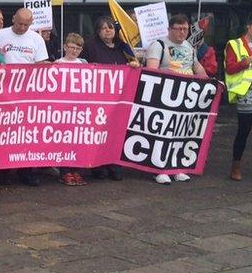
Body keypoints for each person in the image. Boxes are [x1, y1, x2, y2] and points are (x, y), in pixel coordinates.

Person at [145, 14, 208, 185]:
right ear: (169, 29)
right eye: (178, 29)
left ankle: (176, 166)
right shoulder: (159, 45)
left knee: (181, 132)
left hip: (186, 97)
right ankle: (160, 169)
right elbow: (151, 69)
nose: (182, 32)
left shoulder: (189, 46)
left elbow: (197, 67)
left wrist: (210, 82)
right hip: (164, 97)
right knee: (162, 134)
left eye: (185, 29)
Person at [0, 8, 47, 187]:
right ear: (13, 18)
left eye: (26, 24)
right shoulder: (0, 34)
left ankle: (27, 171)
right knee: (5, 132)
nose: (22, 27)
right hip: (4, 92)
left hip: (28, 94)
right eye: (19, 23)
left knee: (27, 133)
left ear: (31, 24)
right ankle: (3, 171)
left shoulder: (36, 39)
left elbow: (40, 65)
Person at [81, 16, 139, 182]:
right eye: (103, 28)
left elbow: (135, 63)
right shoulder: (90, 46)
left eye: (110, 27)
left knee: (116, 132)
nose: (108, 30)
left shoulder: (123, 47)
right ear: (97, 31)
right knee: (98, 132)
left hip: (119, 99)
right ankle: (98, 165)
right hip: (98, 98)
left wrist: (133, 65)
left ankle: (114, 164)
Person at [55, 33, 89, 186]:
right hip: (62, 108)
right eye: (71, 47)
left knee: (77, 140)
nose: (74, 51)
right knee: (63, 141)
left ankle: (76, 170)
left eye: (78, 48)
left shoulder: (83, 64)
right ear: (65, 47)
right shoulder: (57, 63)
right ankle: (64, 171)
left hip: (79, 108)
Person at [226, 16, 252, 181]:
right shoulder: (234, 44)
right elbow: (229, 68)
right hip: (246, 93)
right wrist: (244, 62)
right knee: (244, 130)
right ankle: (235, 166)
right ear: (249, 27)